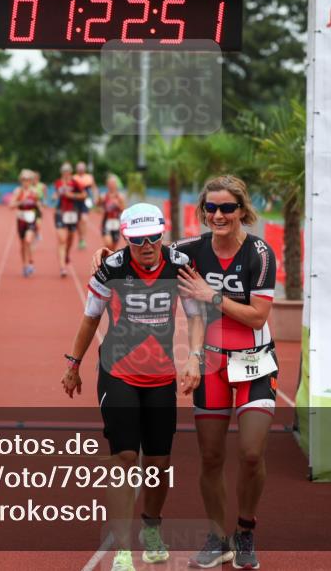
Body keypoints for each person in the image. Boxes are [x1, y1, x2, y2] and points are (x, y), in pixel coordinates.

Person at [96, 175, 279, 569]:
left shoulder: (260, 253)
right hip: (210, 361)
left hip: (253, 360)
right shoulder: (189, 250)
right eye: (210, 208)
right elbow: (144, 250)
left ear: (242, 211)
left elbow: (258, 316)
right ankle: (217, 537)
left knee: (250, 452)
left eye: (227, 208)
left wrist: (210, 295)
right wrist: (107, 254)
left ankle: (245, 530)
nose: (218, 215)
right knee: (210, 457)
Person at [63, 203, 204, 571]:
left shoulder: (178, 265)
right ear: (125, 237)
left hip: (160, 378)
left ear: (162, 233)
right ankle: (123, 547)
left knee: (158, 463)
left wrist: (194, 357)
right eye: (138, 239)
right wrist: (73, 365)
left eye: (154, 237)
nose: (147, 245)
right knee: (125, 459)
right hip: (118, 373)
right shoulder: (110, 269)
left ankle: (151, 529)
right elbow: (90, 318)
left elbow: (195, 316)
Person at [54, 162, 86, 277]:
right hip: (60, 212)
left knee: (71, 237)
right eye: (64, 171)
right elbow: (56, 194)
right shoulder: (58, 183)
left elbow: (84, 195)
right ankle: (62, 267)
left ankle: (67, 253)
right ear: (61, 172)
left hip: (72, 213)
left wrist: (72, 195)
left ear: (71, 172)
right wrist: (55, 196)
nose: (66, 173)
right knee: (62, 239)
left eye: (68, 170)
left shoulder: (75, 182)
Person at [10, 169, 43, 277]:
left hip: (31, 219)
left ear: (31, 181)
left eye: (28, 180)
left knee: (28, 241)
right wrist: (20, 202)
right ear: (21, 181)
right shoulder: (18, 191)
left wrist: (39, 209)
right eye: (24, 180)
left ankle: (31, 262)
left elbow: (38, 205)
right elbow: (10, 205)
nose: (26, 182)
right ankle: (25, 265)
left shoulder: (34, 192)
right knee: (22, 244)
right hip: (21, 220)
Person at [74, 161, 99, 250]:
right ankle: (80, 237)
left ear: (84, 169)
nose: (80, 170)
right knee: (77, 222)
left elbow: (94, 188)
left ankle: (83, 239)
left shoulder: (89, 177)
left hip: (86, 201)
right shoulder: (74, 178)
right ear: (77, 169)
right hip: (76, 201)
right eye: (79, 168)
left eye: (82, 168)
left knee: (84, 220)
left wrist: (95, 198)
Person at [100, 174, 126, 250]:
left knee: (113, 248)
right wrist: (99, 201)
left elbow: (124, 210)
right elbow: (97, 206)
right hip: (106, 222)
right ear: (107, 185)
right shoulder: (104, 196)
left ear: (116, 185)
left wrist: (117, 204)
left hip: (116, 223)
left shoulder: (120, 196)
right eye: (110, 184)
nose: (111, 186)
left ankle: (108, 259)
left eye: (113, 184)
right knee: (108, 243)